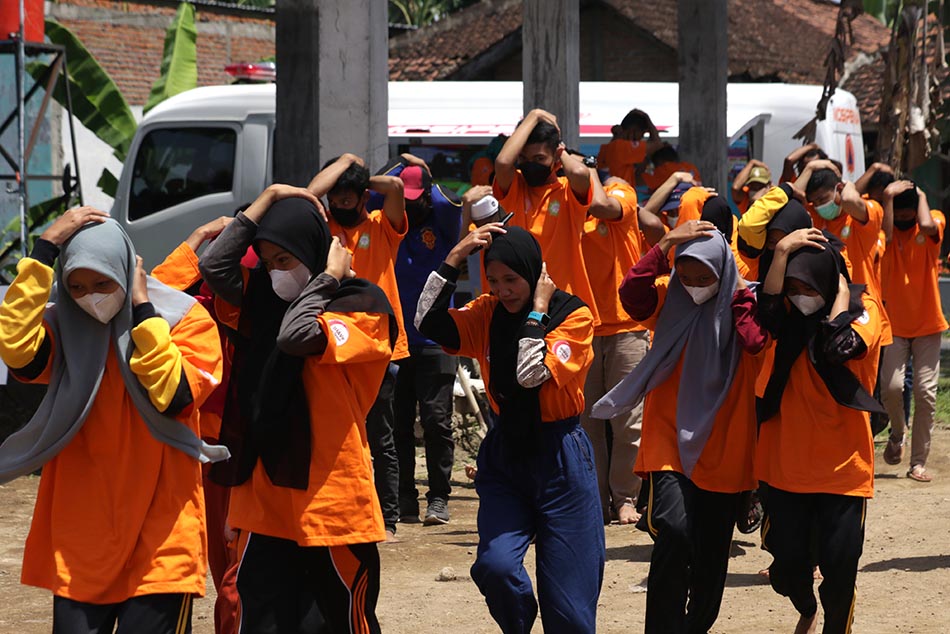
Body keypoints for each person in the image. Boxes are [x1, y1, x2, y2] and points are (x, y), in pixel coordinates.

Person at [0, 208, 225, 634]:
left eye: (103, 283)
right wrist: (44, 251)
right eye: (77, 287)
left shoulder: (185, 320)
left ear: (127, 272)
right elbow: (17, 351)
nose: (91, 297)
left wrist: (144, 311)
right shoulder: (66, 330)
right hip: (82, 540)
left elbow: (173, 395)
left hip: (162, 539)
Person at [198, 185, 397, 634]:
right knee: (260, 619)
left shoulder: (362, 305)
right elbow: (213, 266)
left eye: (284, 260)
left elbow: (296, 336)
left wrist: (326, 280)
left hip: (330, 497)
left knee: (342, 621)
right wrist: (267, 199)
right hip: (264, 496)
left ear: (317, 253)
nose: (275, 274)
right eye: (268, 263)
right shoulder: (263, 302)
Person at [416, 225, 603, 633]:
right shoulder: (487, 312)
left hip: (561, 458)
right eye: (494, 280)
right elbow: (426, 321)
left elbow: (530, 374)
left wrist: (537, 312)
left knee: (569, 608)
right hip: (506, 456)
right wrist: (452, 259)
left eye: (512, 279)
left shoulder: (573, 316)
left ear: (535, 272)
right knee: (496, 567)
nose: (502, 290)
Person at [594, 219, 767, 634]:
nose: (693, 286)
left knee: (711, 552)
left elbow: (754, 342)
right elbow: (631, 293)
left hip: (725, 443)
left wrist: (738, 294)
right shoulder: (670, 301)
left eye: (703, 278)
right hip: (670, 438)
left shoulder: (746, 304)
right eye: (685, 276)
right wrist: (666, 243)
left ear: (723, 271)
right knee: (673, 530)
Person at [756, 227, 884, 634]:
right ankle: (806, 607)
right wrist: (781, 252)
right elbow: (765, 308)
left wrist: (841, 298)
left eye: (808, 286)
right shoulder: (786, 319)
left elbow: (837, 348)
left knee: (840, 569)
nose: (799, 296)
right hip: (785, 467)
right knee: (787, 570)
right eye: (793, 287)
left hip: (844, 469)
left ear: (831, 281)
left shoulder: (864, 308)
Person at [150, 215, 243, 634]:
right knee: (211, 560)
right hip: (202, 446)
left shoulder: (263, 300)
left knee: (237, 566)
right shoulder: (194, 305)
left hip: (246, 447)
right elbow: (153, 292)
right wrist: (199, 237)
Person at [307, 153, 408, 539]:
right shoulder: (325, 228)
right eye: (335, 198)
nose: (340, 204)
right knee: (339, 434)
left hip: (379, 346)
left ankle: (389, 518)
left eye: (348, 198)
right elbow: (309, 194)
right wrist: (346, 162)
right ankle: (346, 510)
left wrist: (358, 177)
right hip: (335, 343)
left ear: (364, 196)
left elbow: (395, 186)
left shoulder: (382, 225)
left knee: (381, 436)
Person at [371, 154, 462, 525]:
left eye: (415, 197)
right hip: (397, 340)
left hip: (435, 339)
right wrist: (397, 164)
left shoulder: (442, 224)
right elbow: (370, 190)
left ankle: (438, 497)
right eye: (403, 198)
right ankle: (405, 497)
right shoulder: (387, 222)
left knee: (437, 421)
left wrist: (423, 171)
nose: (409, 205)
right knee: (399, 423)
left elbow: (449, 201)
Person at [492, 108, 613, 326]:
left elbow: (579, 172)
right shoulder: (516, 187)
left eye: (539, 158)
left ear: (556, 156)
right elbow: (502, 162)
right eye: (524, 158)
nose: (530, 164)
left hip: (567, 305)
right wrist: (534, 115)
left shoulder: (568, 190)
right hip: (522, 305)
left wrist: (560, 150)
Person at [580, 171, 651, 525]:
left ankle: (625, 498)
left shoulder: (619, 190)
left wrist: (588, 169)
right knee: (587, 423)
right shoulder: (565, 203)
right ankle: (595, 499)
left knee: (628, 423)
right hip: (582, 326)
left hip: (626, 326)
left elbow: (601, 205)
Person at [880, 183, 947, 482]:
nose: (905, 218)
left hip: (928, 325)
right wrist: (887, 197)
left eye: (909, 213)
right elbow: (887, 235)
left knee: (926, 393)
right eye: (899, 213)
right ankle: (898, 432)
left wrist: (920, 193)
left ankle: (918, 462)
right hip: (894, 325)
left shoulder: (933, 220)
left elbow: (927, 224)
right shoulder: (887, 232)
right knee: (892, 387)